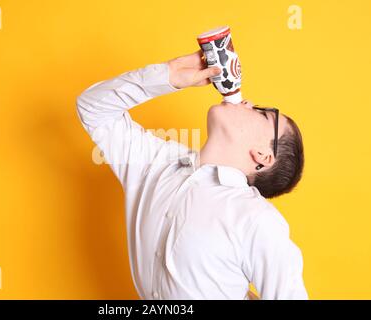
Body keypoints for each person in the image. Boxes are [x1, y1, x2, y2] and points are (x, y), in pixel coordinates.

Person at [76, 50, 308, 300]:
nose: (248, 103)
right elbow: (93, 108)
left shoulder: (257, 220)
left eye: (263, 113)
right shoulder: (156, 164)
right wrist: (167, 75)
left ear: (263, 155)